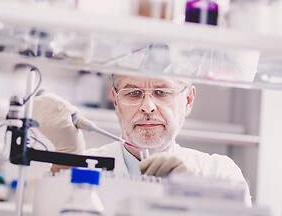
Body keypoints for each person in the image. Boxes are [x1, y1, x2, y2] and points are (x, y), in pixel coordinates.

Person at [32, 74, 251, 205]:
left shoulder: (220, 174)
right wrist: (65, 158)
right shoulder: (81, 165)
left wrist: (193, 195)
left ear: (188, 100)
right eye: (133, 93)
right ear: (116, 103)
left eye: (162, 92)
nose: (147, 106)